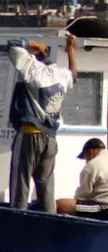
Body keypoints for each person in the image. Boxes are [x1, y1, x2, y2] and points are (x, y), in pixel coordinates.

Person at [7, 35, 77, 211]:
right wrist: (71, 49)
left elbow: (13, 44)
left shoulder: (32, 70)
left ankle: (17, 222)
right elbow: (74, 74)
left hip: (30, 134)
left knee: (20, 183)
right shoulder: (61, 75)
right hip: (50, 139)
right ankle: (50, 221)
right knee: (46, 187)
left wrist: (34, 44)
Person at [55, 138, 108, 224]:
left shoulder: (92, 165)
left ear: (90, 152)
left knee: (61, 204)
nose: (86, 161)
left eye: (85, 157)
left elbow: (82, 196)